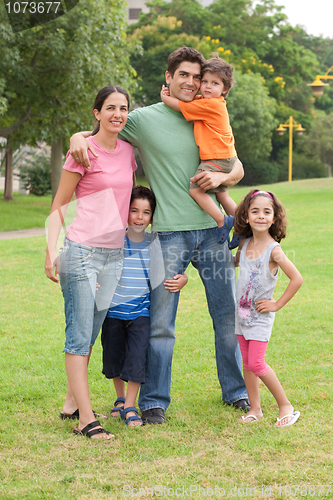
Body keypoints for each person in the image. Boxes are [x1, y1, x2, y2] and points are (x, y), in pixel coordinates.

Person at [70, 46, 250, 425]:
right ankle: (153, 401)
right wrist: (76, 136)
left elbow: (236, 165)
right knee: (161, 324)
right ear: (168, 77)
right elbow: (105, 127)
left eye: (197, 77)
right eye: (183, 75)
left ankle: (236, 392)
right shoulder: (142, 119)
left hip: (213, 235)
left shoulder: (207, 110)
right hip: (168, 235)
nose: (191, 82)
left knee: (226, 317)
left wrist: (223, 176)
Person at [44, 85, 137, 439]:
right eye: (110, 107)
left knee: (93, 329)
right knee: (79, 334)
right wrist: (51, 253)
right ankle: (85, 419)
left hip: (115, 253)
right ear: (96, 112)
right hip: (81, 251)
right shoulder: (81, 152)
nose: (118, 114)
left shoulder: (128, 152)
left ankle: (71, 401)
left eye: (123, 108)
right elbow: (58, 206)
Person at [102, 186, 188, 427]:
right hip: (112, 312)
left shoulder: (154, 242)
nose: (139, 217)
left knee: (138, 358)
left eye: (146, 212)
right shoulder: (115, 239)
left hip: (140, 312)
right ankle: (120, 399)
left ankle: (130, 405)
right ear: (125, 212)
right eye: (134, 211)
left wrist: (184, 278)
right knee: (114, 358)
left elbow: (173, 268)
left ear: (152, 217)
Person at [234, 189, 303, 426]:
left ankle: (286, 406)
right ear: (245, 216)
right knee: (247, 363)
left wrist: (277, 304)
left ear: (274, 218)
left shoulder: (274, 250)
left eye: (267, 212)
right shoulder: (243, 245)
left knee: (256, 363)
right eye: (255, 211)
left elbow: (297, 279)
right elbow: (231, 263)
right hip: (241, 315)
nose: (261, 216)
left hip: (261, 317)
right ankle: (256, 408)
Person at [161, 55, 238, 245]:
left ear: (225, 89)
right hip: (226, 157)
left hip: (215, 158)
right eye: (204, 81)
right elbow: (191, 101)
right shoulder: (208, 101)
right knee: (223, 195)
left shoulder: (210, 104)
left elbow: (180, 106)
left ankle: (222, 221)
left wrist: (165, 98)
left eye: (215, 83)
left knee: (195, 190)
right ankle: (244, 227)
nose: (207, 86)